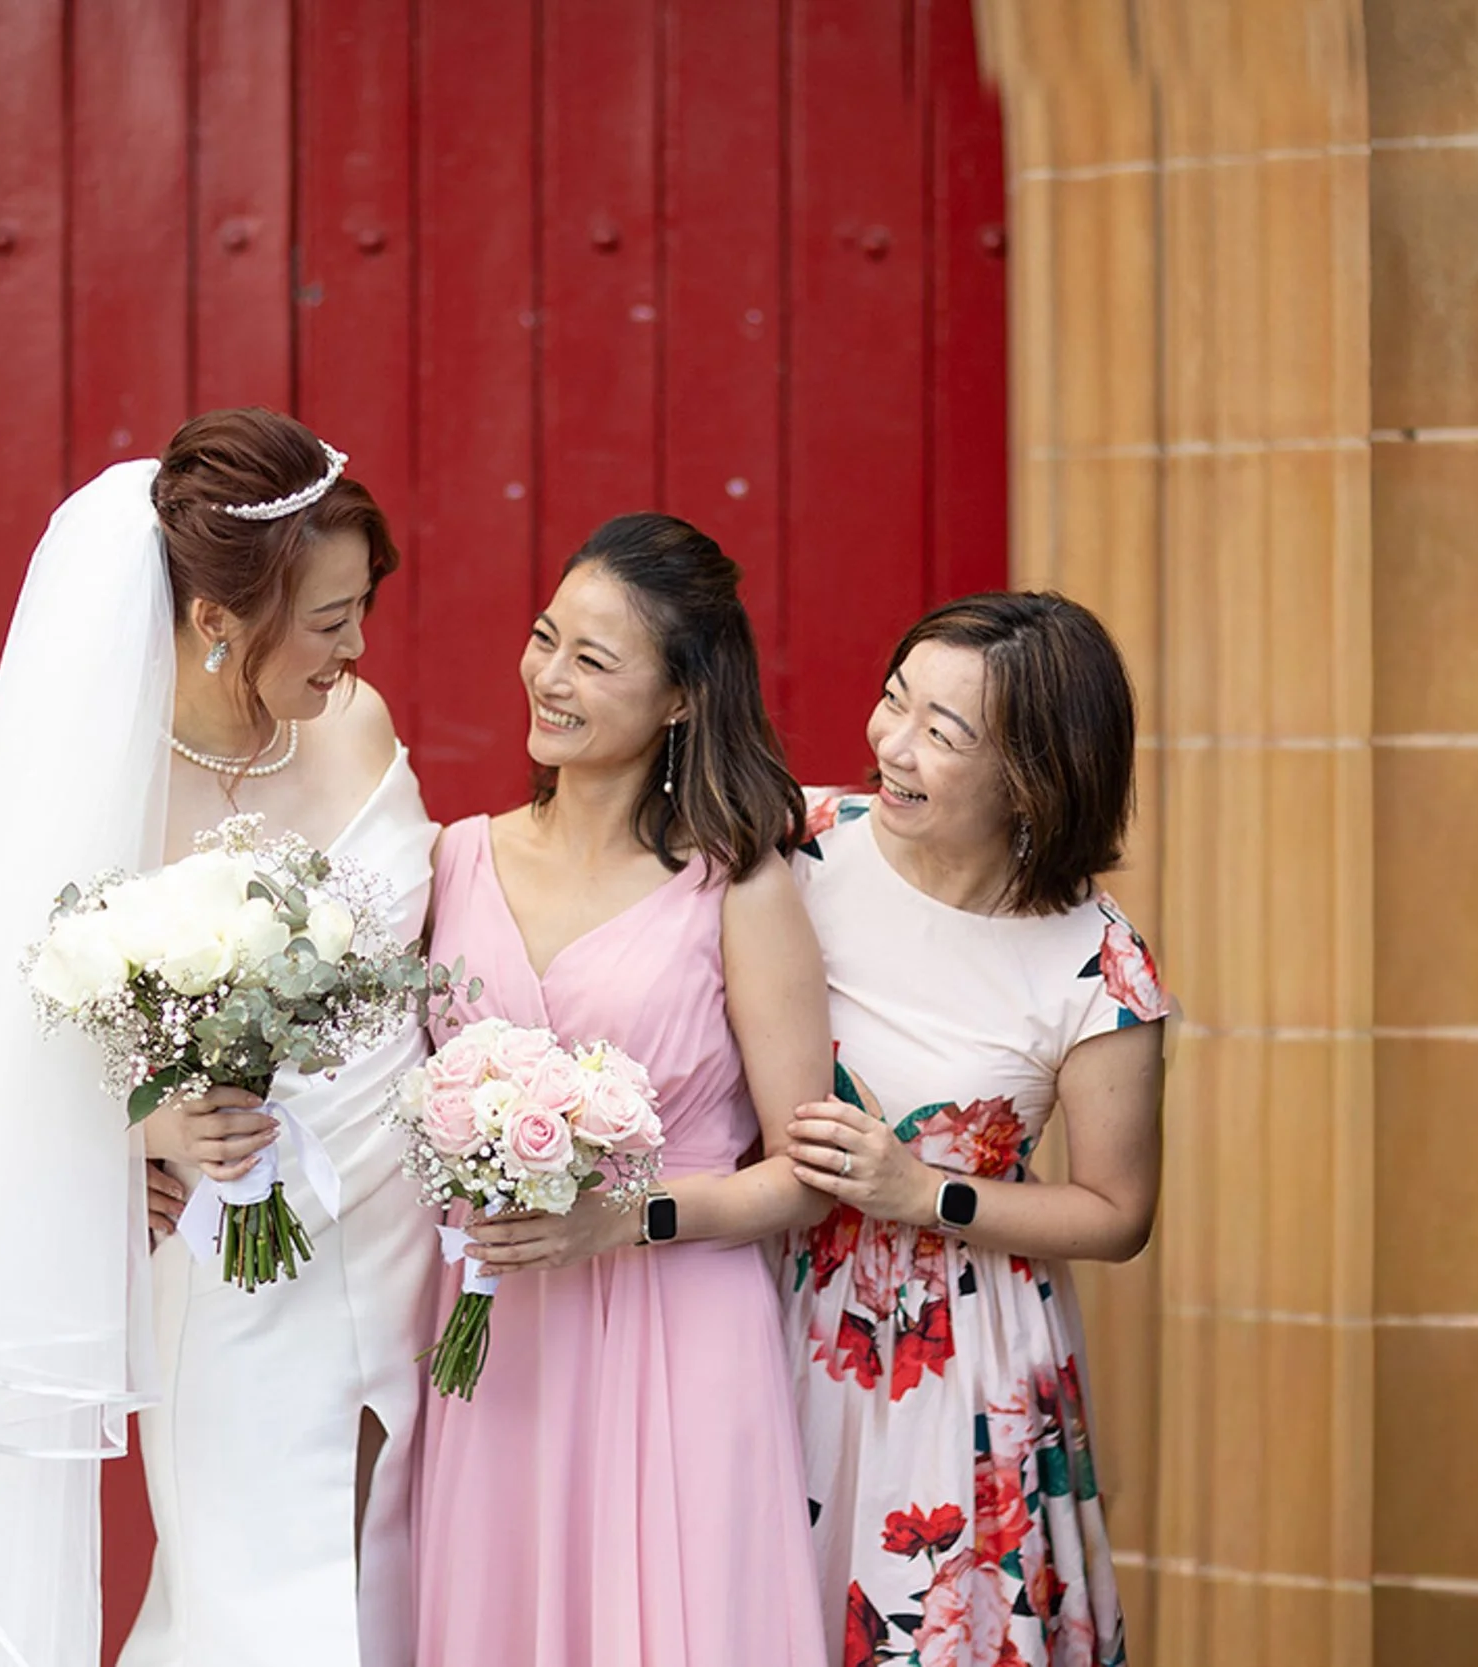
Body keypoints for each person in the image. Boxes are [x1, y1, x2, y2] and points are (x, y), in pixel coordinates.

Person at [0, 410, 440, 1667]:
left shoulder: (355, 725)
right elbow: (7, 1049)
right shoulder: (101, 783)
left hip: (409, 1229)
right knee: (260, 1590)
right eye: (326, 621)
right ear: (218, 619)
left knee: (401, 1573)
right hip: (234, 1252)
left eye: (361, 609)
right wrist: (149, 1121)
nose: (355, 648)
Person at [411, 513, 833, 1667]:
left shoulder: (736, 884)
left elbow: (805, 1174)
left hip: (681, 1327)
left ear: (682, 698)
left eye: (593, 661)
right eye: (546, 638)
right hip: (500, 1334)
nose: (547, 677)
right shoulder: (451, 857)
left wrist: (625, 1216)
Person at [781, 591, 1169, 1667]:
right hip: (763, 1300)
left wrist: (923, 1192)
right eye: (894, 700)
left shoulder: (1094, 962)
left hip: (955, 1350)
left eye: (940, 734)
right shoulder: (800, 842)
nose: (891, 745)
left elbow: (1116, 1212)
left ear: (1033, 773)